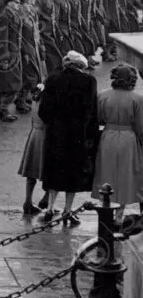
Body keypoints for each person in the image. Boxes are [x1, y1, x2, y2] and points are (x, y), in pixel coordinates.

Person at [38, 51, 99, 225]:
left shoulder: (53, 79)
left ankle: (49, 208)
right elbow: (91, 111)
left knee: (54, 171)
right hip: (77, 134)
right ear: (81, 66)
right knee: (73, 174)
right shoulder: (88, 81)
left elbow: (44, 111)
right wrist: (90, 136)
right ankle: (67, 210)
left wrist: (54, 124)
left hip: (55, 133)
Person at [91, 64, 143, 226]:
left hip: (108, 137)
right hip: (128, 139)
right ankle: (119, 214)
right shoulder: (137, 98)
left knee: (107, 174)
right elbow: (140, 126)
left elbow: (98, 119)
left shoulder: (102, 95)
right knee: (125, 176)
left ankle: (106, 211)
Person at [16, 84, 47, 216]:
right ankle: (46, 200)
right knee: (48, 170)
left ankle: (28, 201)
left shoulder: (36, 99)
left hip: (34, 133)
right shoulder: (47, 100)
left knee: (30, 170)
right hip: (46, 134)